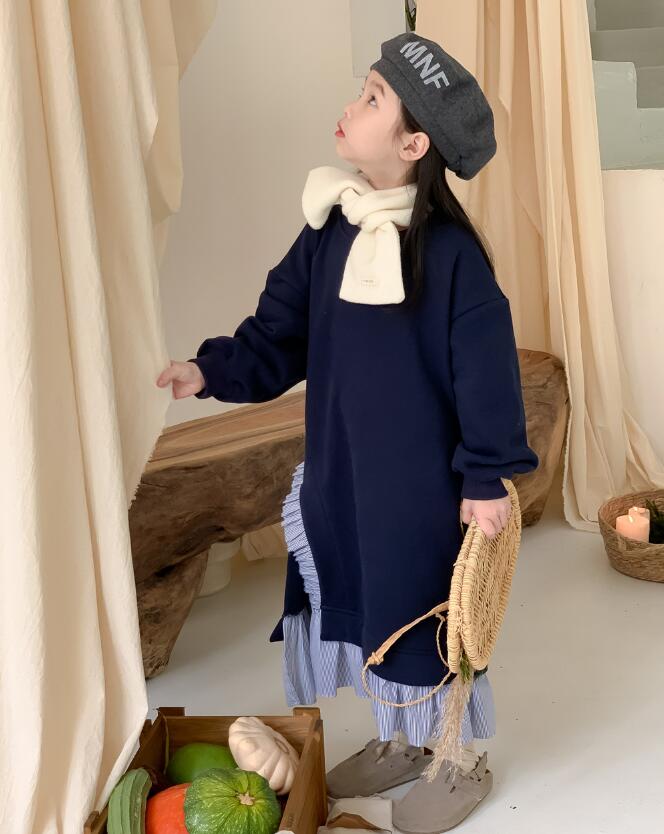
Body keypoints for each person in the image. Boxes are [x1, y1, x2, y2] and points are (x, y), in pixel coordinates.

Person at [157, 31, 538, 832]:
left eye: (372, 99)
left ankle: (457, 757)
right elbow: (278, 333)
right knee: (363, 607)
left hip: (419, 490)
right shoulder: (329, 231)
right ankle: (400, 739)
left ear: (413, 144)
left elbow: (487, 374)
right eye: (361, 90)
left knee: (427, 618)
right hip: (341, 475)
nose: (350, 106)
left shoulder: (452, 259)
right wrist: (208, 371)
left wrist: (485, 477)